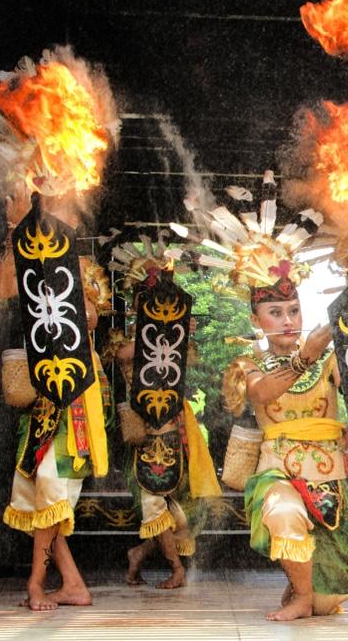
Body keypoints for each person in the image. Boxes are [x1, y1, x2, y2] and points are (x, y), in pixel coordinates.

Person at [201, 199, 348, 620]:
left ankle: (303, 586)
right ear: (257, 320)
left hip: (330, 471)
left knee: (328, 603)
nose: (287, 320)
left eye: (293, 310)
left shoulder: (325, 356)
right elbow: (262, 395)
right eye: (274, 313)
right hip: (277, 468)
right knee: (282, 512)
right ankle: (299, 593)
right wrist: (307, 356)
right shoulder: (248, 364)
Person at [1, 257, 112, 611]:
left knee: (51, 490)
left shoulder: (81, 292)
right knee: (42, 498)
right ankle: (74, 585)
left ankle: (36, 584)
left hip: (76, 408)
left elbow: (89, 318)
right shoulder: (39, 291)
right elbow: (5, 289)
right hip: (46, 409)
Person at [108, 246, 221, 589]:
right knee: (155, 507)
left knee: (183, 512)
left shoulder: (178, 340)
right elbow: (128, 354)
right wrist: (156, 329)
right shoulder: (123, 345)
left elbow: (191, 358)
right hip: (142, 435)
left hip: (176, 431)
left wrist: (177, 330)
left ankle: (138, 556)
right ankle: (177, 569)